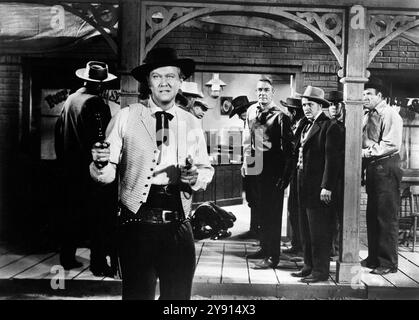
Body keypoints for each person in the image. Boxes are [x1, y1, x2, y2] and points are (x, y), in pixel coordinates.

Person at [89, 47, 214, 300]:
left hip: (178, 225)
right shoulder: (126, 117)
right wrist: (100, 164)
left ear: (181, 81)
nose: (164, 83)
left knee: (178, 301)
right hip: (137, 227)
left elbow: (205, 169)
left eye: (171, 76)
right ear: (148, 81)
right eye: (157, 76)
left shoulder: (191, 123)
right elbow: (107, 173)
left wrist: (195, 178)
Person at [55, 61, 118, 276]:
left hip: (67, 169)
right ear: (100, 85)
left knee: (70, 214)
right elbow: (102, 140)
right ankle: (98, 264)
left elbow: (58, 132)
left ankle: (67, 258)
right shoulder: (97, 104)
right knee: (98, 218)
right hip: (90, 171)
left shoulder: (70, 100)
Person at [290, 86, 344, 283]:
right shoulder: (305, 125)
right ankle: (308, 266)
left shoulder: (330, 127)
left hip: (319, 188)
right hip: (302, 184)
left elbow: (333, 160)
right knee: (305, 227)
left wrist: (327, 186)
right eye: (304, 105)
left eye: (310, 104)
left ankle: (320, 271)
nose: (306, 108)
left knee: (319, 231)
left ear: (320, 105)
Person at [242, 76, 294, 269]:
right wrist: (247, 164)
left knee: (273, 214)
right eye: (259, 90)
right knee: (261, 211)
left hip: (274, 172)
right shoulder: (251, 111)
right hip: (256, 169)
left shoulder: (281, 116)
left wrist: (285, 176)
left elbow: (289, 150)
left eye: (266, 90)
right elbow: (247, 140)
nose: (262, 93)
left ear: (273, 93)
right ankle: (264, 248)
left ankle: (273, 256)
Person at [361, 78, 403, 275]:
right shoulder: (367, 115)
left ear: (380, 96)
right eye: (364, 93)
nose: (365, 97)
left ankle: (387, 263)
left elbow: (391, 144)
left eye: (369, 94)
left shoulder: (390, 114)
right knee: (373, 215)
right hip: (373, 169)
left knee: (385, 217)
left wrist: (366, 153)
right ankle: (373, 258)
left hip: (386, 167)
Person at [230, 96, 259, 239]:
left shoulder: (257, 122)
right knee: (252, 197)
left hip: (258, 163)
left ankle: (258, 230)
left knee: (256, 197)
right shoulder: (247, 122)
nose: (242, 117)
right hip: (251, 162)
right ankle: (254, 228)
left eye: (242, 113)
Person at [279, 97, 304, 256]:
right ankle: (297, 244)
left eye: (288, 110)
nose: (287, 113)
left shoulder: (301, 125)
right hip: (295, 173)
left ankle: (299, 246)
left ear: (293, 111)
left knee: (297, 211)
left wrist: (286, 176)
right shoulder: (297, 124)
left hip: (298, 173)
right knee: (293, 210)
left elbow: (293, 153)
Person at [327, 90, 345, 259]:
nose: (333, 108)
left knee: (340, 215)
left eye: (336, 104)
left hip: (343, 178)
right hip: (331, 178)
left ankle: (339, 250)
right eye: (330, 105)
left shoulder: (347, 126)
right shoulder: (330, 125)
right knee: (330, 216)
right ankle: (332, 249)